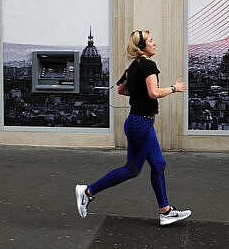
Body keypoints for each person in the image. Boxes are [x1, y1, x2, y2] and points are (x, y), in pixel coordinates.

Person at [75, 29, 191, 226]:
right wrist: (174, 88)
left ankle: (166, 211)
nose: (155, 44)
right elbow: (153, 93)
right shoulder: (148, 65)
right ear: (142, 46)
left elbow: (121, 89)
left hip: (140, 121)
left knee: (159, 164)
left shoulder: (133, 66)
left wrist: (140, 94)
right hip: (141, 123)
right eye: (151, 41)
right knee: (132, 169)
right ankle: (87, 192)